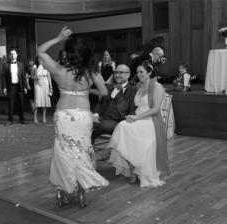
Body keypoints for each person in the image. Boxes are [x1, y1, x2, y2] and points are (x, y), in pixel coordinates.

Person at [37, 27, 109, 208]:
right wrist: (85, 90)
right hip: (83, 116)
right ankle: (82, 192)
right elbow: (104, 92)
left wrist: (58, 37)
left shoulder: (58, 69)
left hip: (63, 116)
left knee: (62, 153)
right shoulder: (92, 72)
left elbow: (40, 51)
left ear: (69, 54)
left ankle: (62, 192)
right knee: (82, 151)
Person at [106, 60, 169, 188]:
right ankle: (132, 167)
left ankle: (107, 151)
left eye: (142, 72)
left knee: (122, 126)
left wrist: (136, 117)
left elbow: (156, 109)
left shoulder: (157, 86)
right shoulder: (138, 86)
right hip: (138, 119)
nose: (139, 74)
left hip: (150, 121)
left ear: (149, 72)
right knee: (123, 126)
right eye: (137, 72)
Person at [92, 64, 137, 161]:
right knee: (86, 128)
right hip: (102, 119)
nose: (117, 75)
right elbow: (100, 103)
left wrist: (130, 119)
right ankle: (87, 155)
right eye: (116, 72)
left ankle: (103, 154)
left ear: (128, 75)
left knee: (99, 125)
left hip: (117, 121)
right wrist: (95, 115)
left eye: (121, 72)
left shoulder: (132, 90)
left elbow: (132, 108)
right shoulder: (109, 86)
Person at [1, 49, 28, 126]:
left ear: (17, 55)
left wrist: (25, 87)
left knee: (21, 103)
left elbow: (23, 77)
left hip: (19, 86)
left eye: (14, 54)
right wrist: (4, 87)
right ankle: (10, 120)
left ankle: (22, 119)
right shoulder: (5, 65)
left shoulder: (21, 64)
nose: (13, 55)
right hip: (11, 86)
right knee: (11, 104)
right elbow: (3, 77)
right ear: (9, 56)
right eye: (11, 54)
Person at [33, 56, 52, 123]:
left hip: (45, 84)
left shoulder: (47, 67)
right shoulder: (35, 66)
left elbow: (49, 78)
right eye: (38, 58)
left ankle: (44, 116)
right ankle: (35, 117)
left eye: (41, 58)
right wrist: (35, 77)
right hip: (37, 84)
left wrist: (51, 87)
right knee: (37, 100)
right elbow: (32, 77)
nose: (39, 60)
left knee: (44, 101)